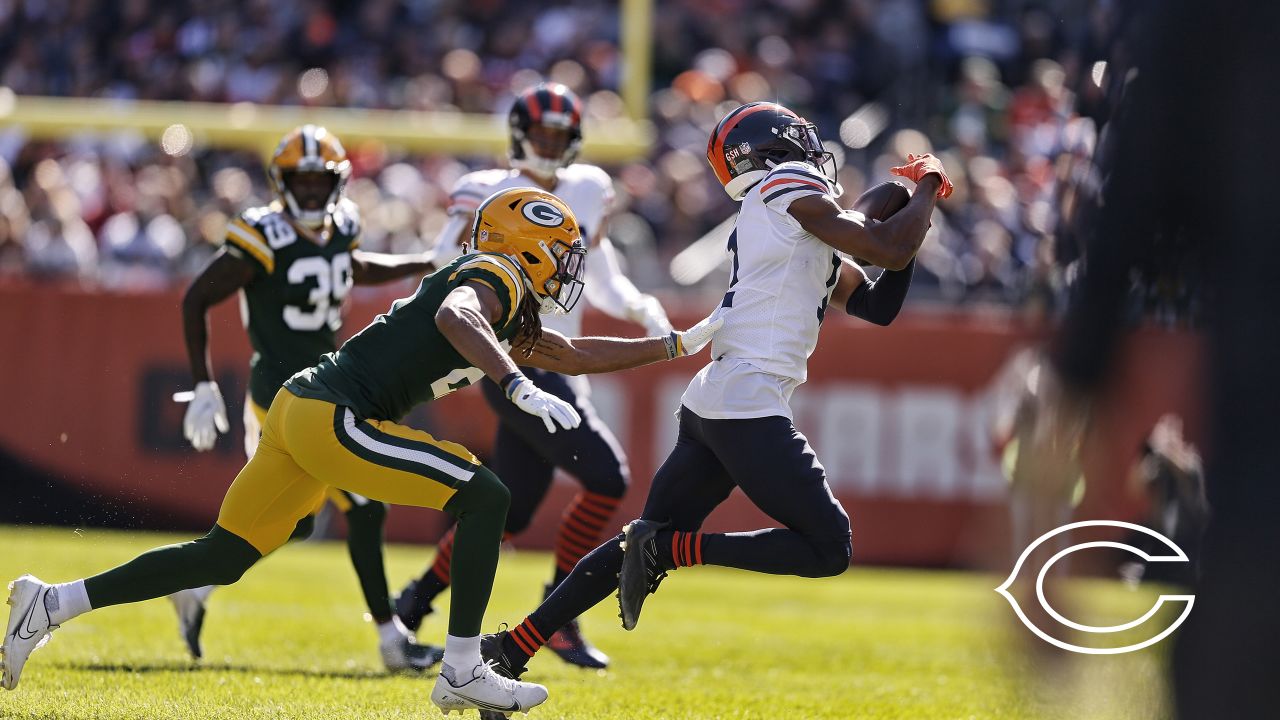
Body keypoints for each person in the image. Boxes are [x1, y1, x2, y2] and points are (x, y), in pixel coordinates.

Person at [1, 187, 723, 716]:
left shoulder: (507, 300)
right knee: (487, 495)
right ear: (523, 245)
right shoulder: (492, 278)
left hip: (301, 408)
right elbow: (455, 313)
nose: (567, 270)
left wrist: (671, 345)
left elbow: (570, 353)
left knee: (220, 556)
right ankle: (464, 667)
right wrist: (511, 382)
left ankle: (51, 603)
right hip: (333, 414)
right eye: (561, 256)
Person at [474, 102, 951, 689]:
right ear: (777, 146)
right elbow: (886, 245)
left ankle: (508, 649)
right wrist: (927, 184)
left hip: (720, 398)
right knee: (828, 547)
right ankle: (673, 552)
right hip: (746, 398)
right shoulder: (786, 186)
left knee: (638, 539)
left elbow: (878, 301)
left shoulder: (785, 213)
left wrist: (908, 207)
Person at [395, 83, 671, 670]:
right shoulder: (481, 192)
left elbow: (599, 273)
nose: (548, 147)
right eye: (540, 134)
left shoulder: (589, 188)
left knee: (513, 512)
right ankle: (559, 613)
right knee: (607, 477)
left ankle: (412, 604)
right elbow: (444, 268)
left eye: (558, 137)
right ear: (518, 133)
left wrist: (639, 306)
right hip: (514, 358)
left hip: (555, 354)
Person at [173, 123, 440, 670]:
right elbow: (197, 298)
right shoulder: (262, 234)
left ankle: (196, 585)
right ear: (281, 182)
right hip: (282, 397)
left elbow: (347, 267)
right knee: (364, 506)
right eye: (303, 180)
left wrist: (417, 264)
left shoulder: (342, 226)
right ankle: (392, 640)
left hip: (326, 386)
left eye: (322, 180)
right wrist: (202, 383)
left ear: (338, 182)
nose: (313, 191)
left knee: (293, 523)